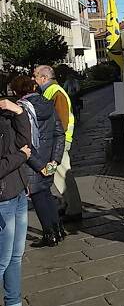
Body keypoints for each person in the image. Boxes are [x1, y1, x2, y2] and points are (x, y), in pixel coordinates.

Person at [11, 75, 66, 247]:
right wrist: (54, 160)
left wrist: (39, 166)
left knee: (38, 197)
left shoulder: (19, 110)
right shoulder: (48, 104)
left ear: (16, 91)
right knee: (46, 194)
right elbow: (59, 133)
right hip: (49, 159)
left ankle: (50, 235)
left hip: (32, 162)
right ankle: (58, 230)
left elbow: (23, 142)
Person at [32, 65, 82, 222]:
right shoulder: (52, 90)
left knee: (63, 174)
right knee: (59, 175)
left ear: (44, 78)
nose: (33, 78)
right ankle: (68, 204)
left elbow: (61, 120)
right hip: (57, 142)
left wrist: (56, 142)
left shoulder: (55, 92)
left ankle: (74, 210)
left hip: (58, 143)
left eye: (35, 75)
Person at [0, 98, 31, 306]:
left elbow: (25, 140)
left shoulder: (4, 114)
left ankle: (14, 302)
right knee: (2, 260)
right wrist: (21, 157)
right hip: (3, 199)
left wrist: (19, 111)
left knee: (16, 256)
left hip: (18, 192)